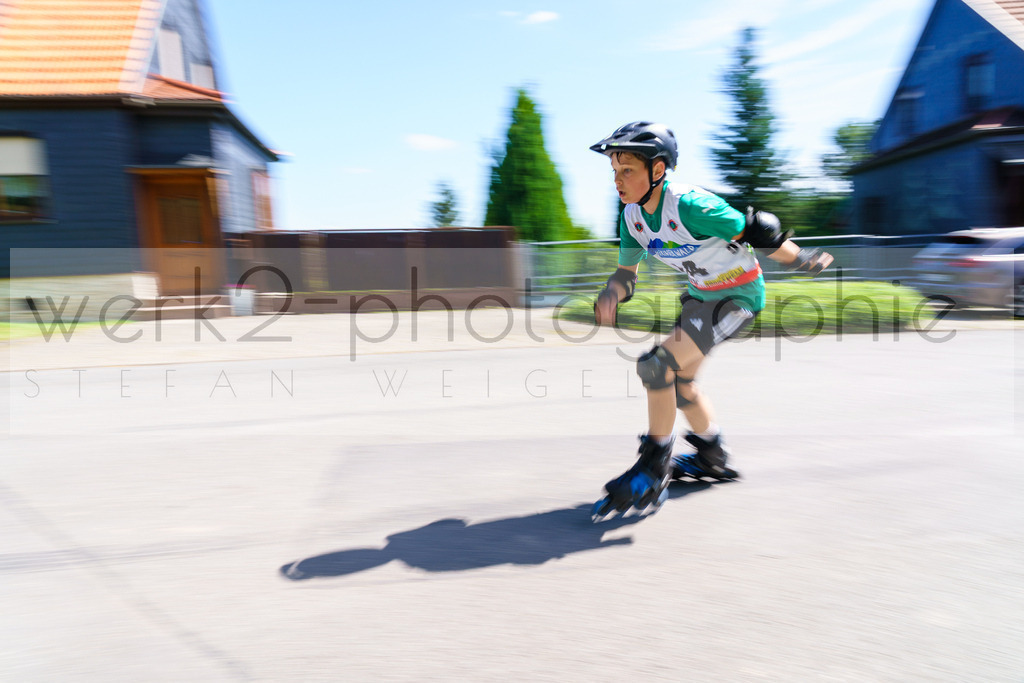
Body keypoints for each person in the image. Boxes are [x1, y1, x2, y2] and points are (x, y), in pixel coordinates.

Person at [589, 121, 833, 518]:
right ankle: (713, 457)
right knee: (680, 385)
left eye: (627, 170)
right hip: (701, 299)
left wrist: (802, 258)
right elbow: (626, 274)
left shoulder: (690, 205)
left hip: (737, 297)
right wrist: (612, 292)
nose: (617, 180)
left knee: (657, 367)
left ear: (658, 170)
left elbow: (759, 230)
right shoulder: (632, 217)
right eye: (614, 171)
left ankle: (653, 468)